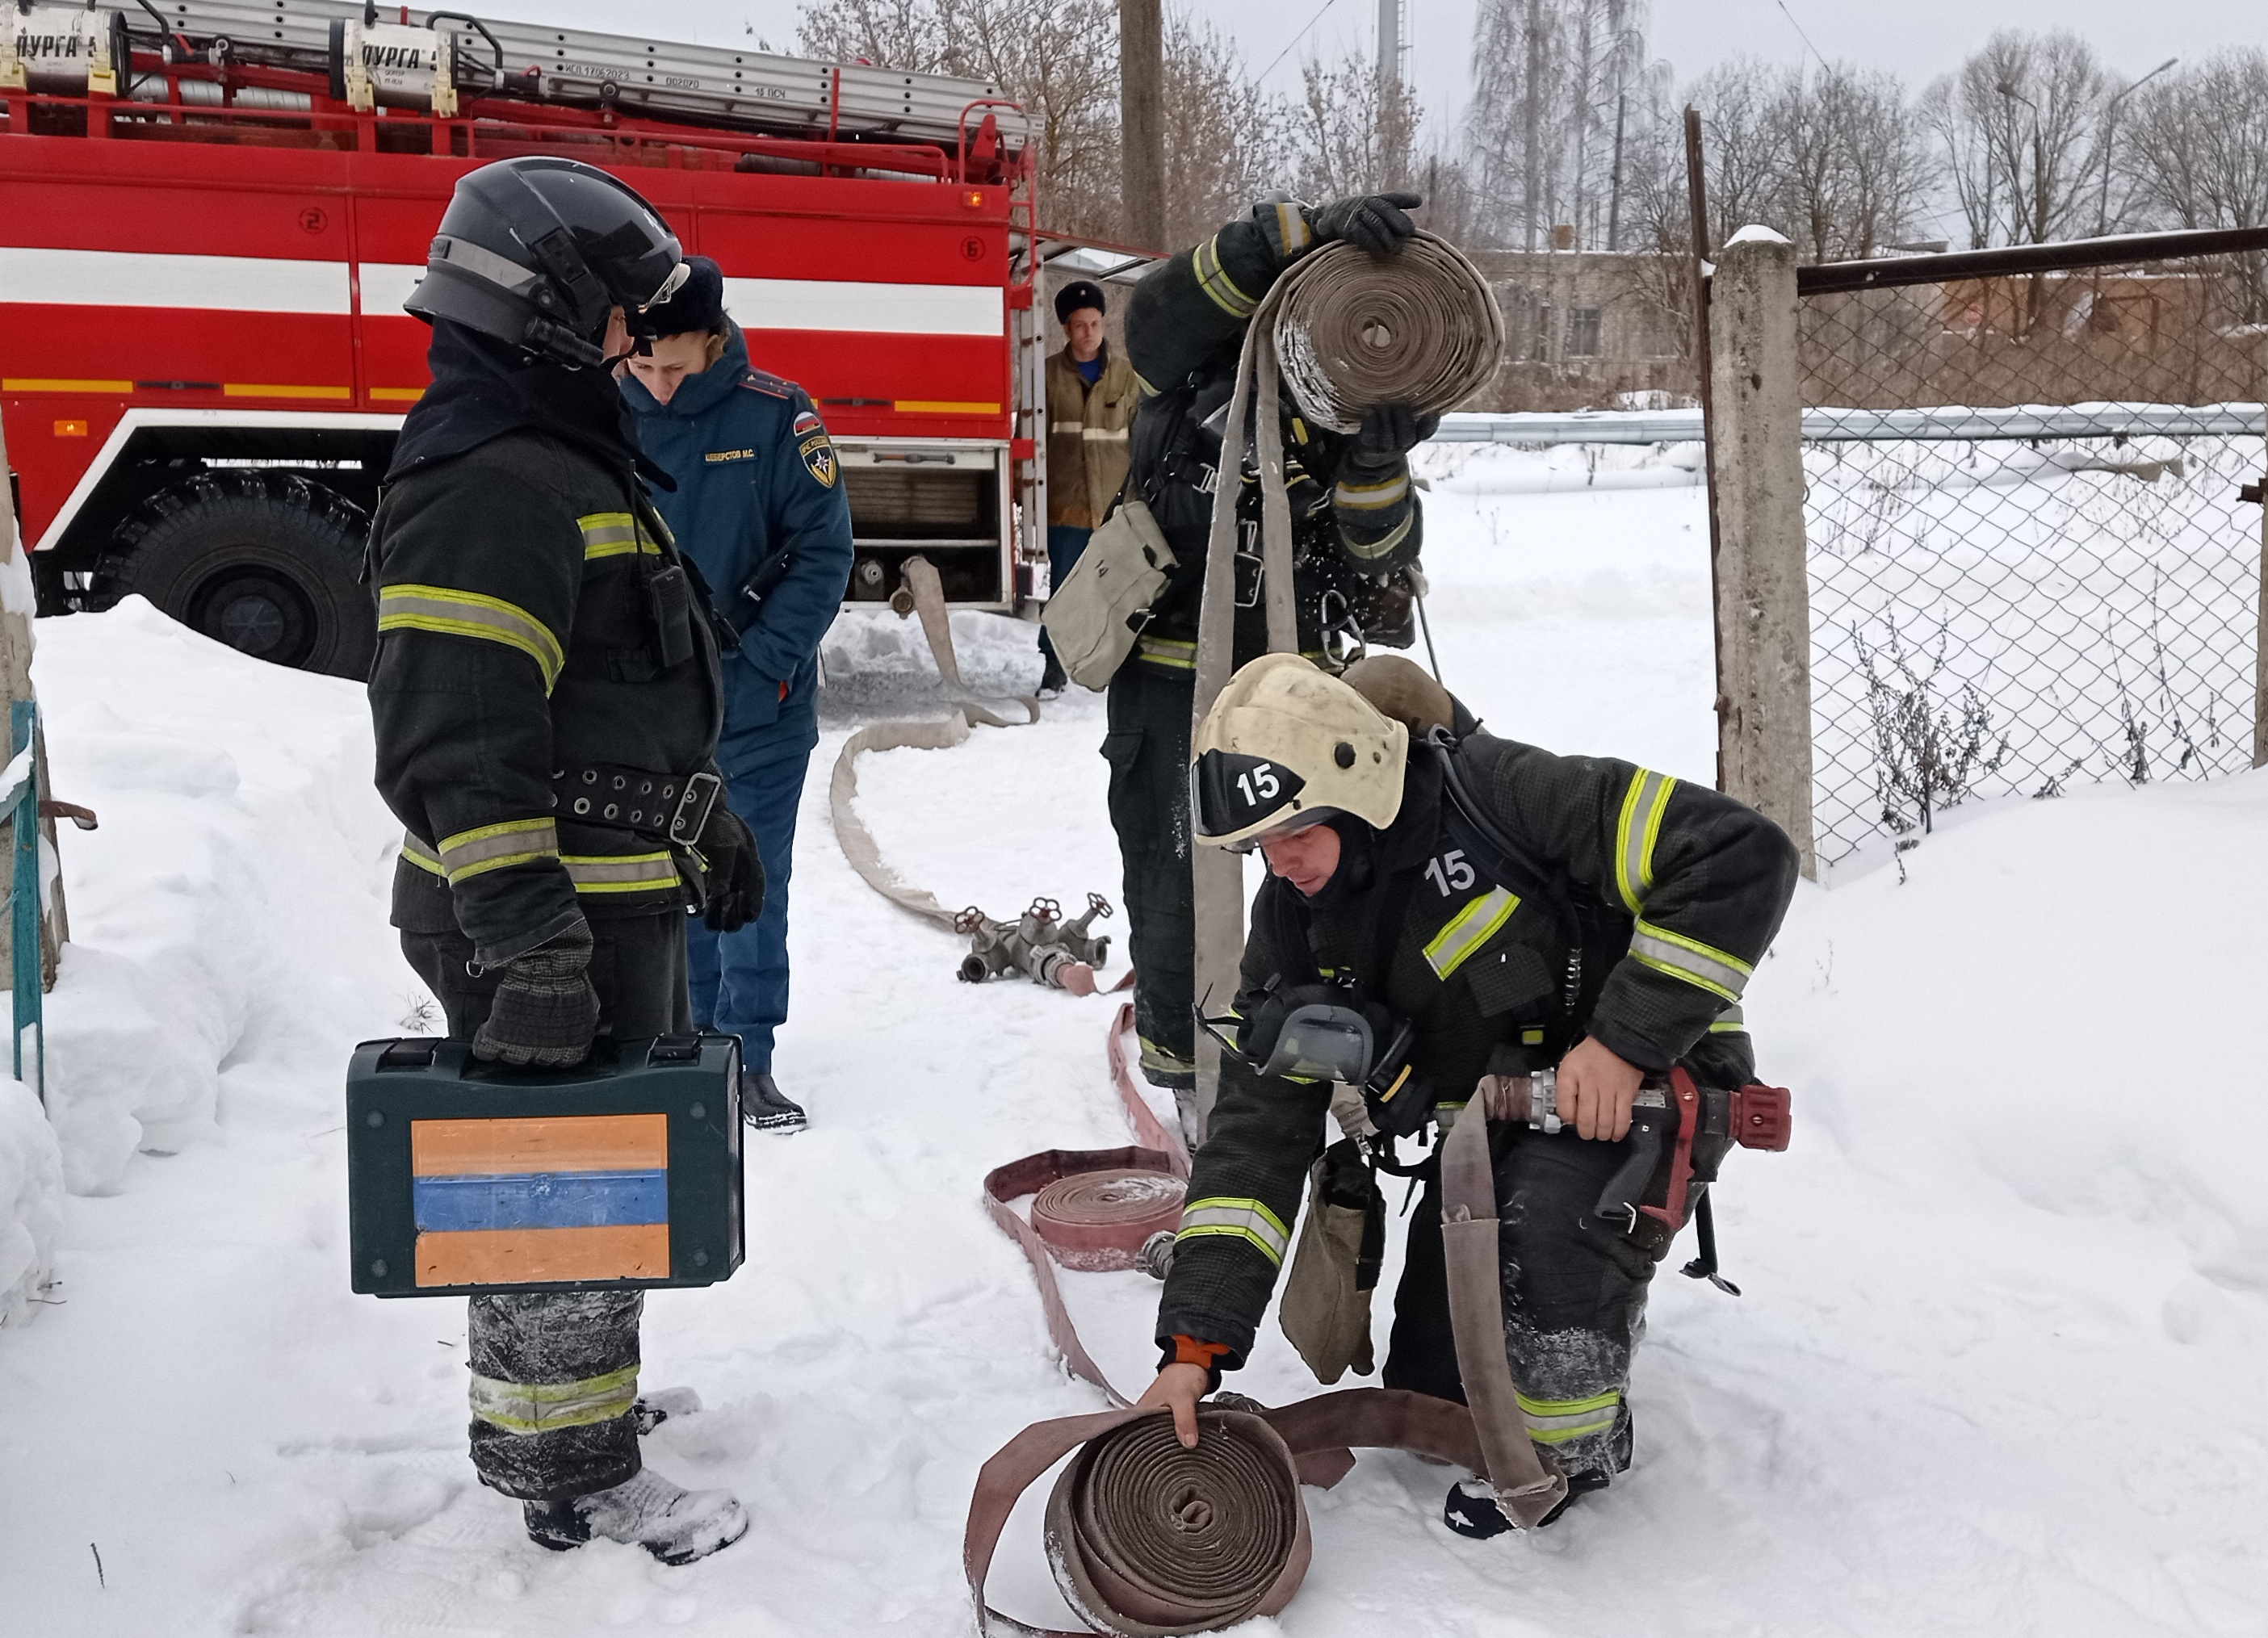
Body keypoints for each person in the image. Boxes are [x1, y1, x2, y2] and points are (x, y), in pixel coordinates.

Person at [1135, 653, 1800, 1535]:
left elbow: (1738, 854)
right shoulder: (1295, 924)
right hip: (1489, 1132)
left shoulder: (1506, 796)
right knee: (1432, 1390)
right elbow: (1256, 1137)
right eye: (1259, 843)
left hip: (1652, 1077)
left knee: (1542, 1263)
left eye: (1297, 830)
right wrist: (1192, 1348)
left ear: (1357, 788)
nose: (1281, 861)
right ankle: (1545, 1330)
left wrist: (1622, 1041)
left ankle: (1571, 1455)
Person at [369, 156, 765, 1565]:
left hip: (600, 898)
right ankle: (571, 1473)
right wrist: (527, 934)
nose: (633, 348)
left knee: (601, 1176)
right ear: (544, 312)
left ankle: (586, 1412)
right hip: (540, 919)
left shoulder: (549, 458)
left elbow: (608, 688)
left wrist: (695, 816)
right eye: (614, 322)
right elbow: (456, 737)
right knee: (549, 1191)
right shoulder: (491, 485)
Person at [1105, 192, 1435, 1099]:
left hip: (1296, 693)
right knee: (1179, 888)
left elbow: (1379, 562)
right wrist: (1279, 238)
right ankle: (1189, 1081)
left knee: (1312, 878)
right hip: (1172, 678)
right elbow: (1151, 324)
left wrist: (1376, 468)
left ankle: (1307, 1048)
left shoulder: (1345, 408)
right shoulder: (1198, 360)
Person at [619, 257, 856, 1135]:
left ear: (713, 338)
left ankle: (748, 1055)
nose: (658, 386)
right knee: (661, 878)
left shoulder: (776, 415)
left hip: (759, 705)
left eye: (674, 367)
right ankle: (683, 1039)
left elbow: (823, 553)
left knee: (748, 877)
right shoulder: (605, 409)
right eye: (642, 368)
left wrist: (761, 665)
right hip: (646, 709)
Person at [1038, 278, 1138, 698]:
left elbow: (1141, 437)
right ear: (1066, 329)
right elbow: (1036, 440)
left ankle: (1122, 666)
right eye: (1080, 325)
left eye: (1095, 323)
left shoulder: (1126, 375)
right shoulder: (1046, 376)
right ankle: (1054, 666)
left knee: (1120, 589)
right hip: (1067, 507)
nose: (1089, 333)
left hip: (1115, 508)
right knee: (1064, 591)